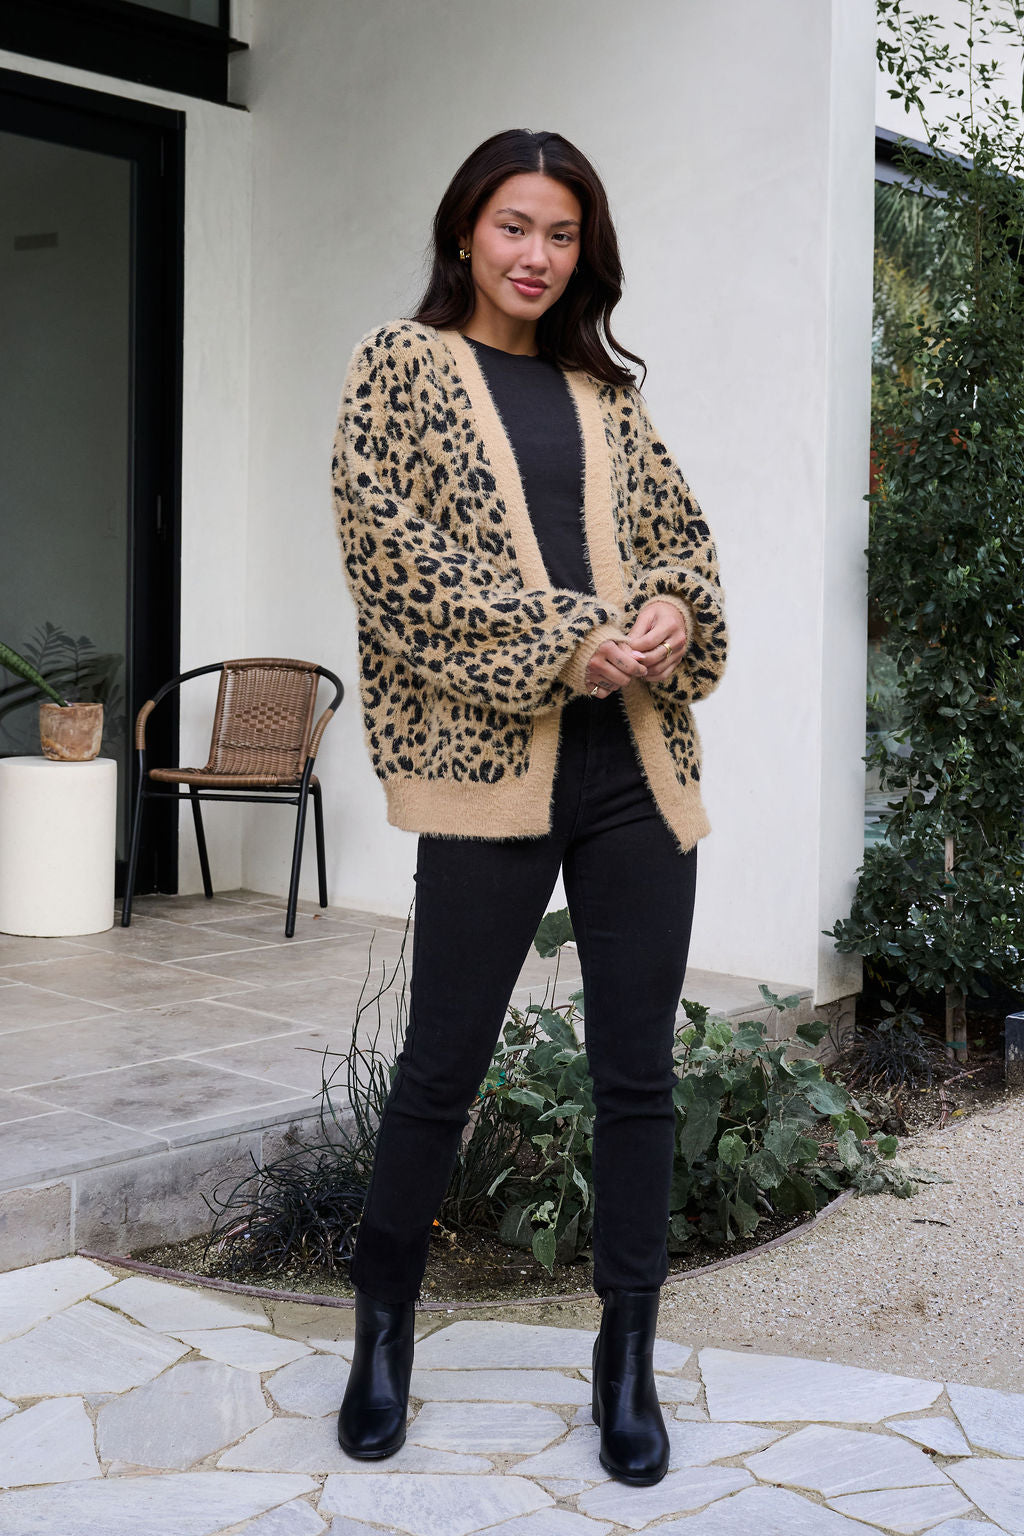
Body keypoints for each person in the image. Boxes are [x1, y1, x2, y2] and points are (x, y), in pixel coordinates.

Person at [330, 128, 728, 1488]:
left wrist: (676, 607)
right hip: (492, 766)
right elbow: (399, 567)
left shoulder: (605, 393)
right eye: (514, 226)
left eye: (560, 234)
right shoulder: (400, 366)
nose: (536, 255)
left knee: (638, 1077)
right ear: (465, 232)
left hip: (633, 770)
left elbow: (683, 537)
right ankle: (383, 1328)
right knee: (441, 1066)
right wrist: (567, 638)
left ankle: (626, 1358)